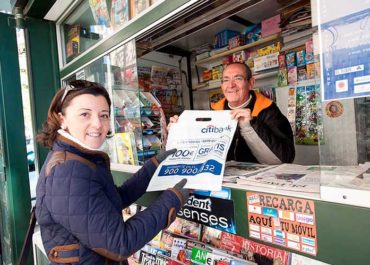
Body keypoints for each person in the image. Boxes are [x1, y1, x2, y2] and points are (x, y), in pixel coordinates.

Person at [36, 80, 189, 264]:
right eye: (85, 114)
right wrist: (172, 200)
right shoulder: (68, 171)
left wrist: (153, 167)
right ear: (62, 119)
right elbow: (119, 243)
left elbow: (111, 200)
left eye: (104, 115)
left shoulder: (77, 157)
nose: (98, 124)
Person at [168, 62, 295, 164]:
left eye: (238, 78)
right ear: (222, 85)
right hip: (222, 184)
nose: (231, 85)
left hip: (259, 186)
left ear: (250, 83)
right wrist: (178, 133)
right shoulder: (214, 114)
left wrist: (248, 127)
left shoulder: (268, 111)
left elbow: (283, 160)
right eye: (226, 80)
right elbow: (197, 154)